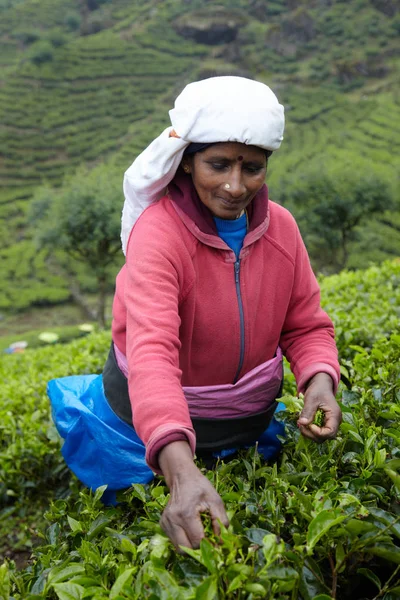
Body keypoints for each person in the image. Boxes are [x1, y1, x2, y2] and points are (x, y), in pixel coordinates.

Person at [48, 76, 341, 550]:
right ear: (186, 162)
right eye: (218, 164)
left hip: (247, 424)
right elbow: (152, 354)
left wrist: (320, 380)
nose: (234, 185)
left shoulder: (282, 229)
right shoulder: (160, 237)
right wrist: (181, 471)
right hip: (156, 433)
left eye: (253, 168)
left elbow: (305, 323)